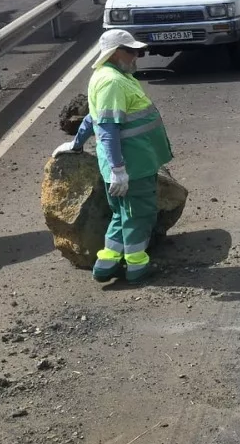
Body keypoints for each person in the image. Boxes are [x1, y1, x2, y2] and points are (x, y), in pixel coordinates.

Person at [53, 30, 173, 284]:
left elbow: (92, 117)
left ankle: (106, 264)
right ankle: (137, 267)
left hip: (128, 165)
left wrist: (77, 143)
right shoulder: (112, 82)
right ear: (115, 53)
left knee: (122, 215)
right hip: (132, 166)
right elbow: (107, 129)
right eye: (131, 51)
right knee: (139, 215)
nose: (137, 56)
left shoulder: (109, 76)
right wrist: (119, 170)